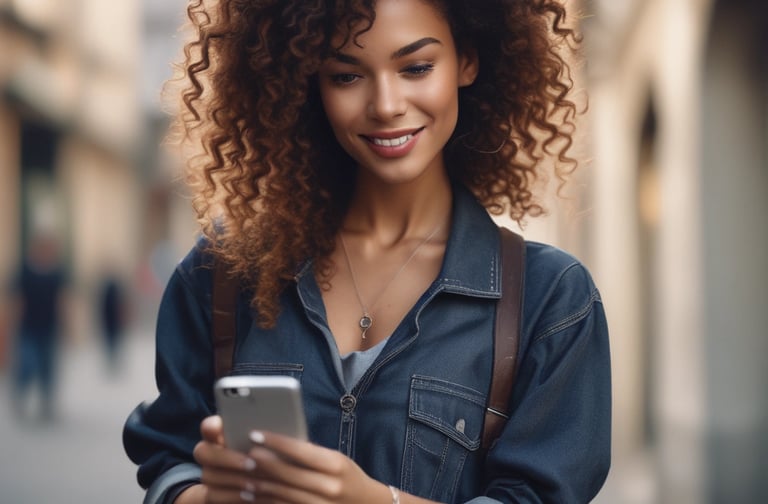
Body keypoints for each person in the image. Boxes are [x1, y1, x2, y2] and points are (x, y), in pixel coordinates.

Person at [124, 0, 611, 503]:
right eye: (346, 76)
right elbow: (168, 458)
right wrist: (208, 498)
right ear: (308, 81)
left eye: (417, 67)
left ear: (467, 60)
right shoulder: (226, 270)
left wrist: (373, 500)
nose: (385, 104)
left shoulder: (548, 300)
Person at [10, 231, 67, 421]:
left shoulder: (56, 271)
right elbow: (17, 298)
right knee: (27, 364)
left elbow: (61, 299)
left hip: (49, 326)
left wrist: (66, 323)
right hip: (28, 326)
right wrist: (12, 322)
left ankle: (46, 405)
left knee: (48, 368)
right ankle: (21, 396)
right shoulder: (25, 270)